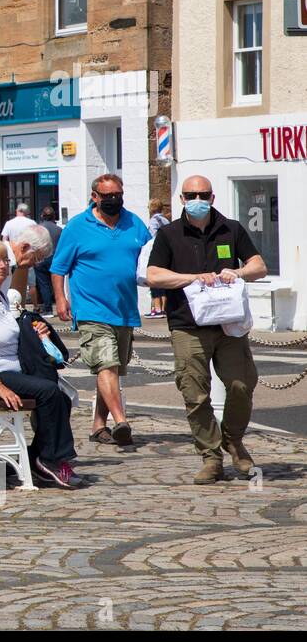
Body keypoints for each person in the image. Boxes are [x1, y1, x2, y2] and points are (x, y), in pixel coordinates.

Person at [147, 175, 266, 485]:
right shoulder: (170, 234)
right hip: (188, 325)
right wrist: (193, 278)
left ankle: (233, 439)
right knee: (195, 394)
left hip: (229, 324)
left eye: (202, 194)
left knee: (241, 385)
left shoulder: (231, 228)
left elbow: (259, 266)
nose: (196, 199)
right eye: (190, 195)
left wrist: (237, 272)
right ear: (182, 199)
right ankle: (211, 456)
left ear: (212, 198)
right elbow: (154, 275)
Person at [0, 240, 79, 488]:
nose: (3, 266)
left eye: (5, 261)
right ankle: (52, 459)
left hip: (9, 371)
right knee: (47, 392)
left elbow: (9, 336)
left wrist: (37, 330)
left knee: (61, 397)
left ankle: (36, 457)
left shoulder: (0, 297)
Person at [51, 173, 152, 448]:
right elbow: (59, 268)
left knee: (112, 369)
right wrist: (61, 299)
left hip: (124, 308)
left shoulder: (134, 223)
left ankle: (98, 425)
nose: (113, 201)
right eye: (107, 197)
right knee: (106, 364)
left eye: (118, 195)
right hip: (91, 309)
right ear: (95, 197)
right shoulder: (77, 227)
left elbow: (150, 258)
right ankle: (121, 422)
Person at [32, 206, 62, 316]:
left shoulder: (37, 228)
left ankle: (48, 308)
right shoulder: (59, 230)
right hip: (55, 259)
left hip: (41, 259)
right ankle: (60, 304)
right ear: (53, 216)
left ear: (42, 216)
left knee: (44, 284)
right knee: (57, 284)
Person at [146, 198, 169, 317]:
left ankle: (157, 309)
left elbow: (152, 236)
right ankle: (164, 308)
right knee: (163, 281)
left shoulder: (153, 221)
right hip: (165, 253)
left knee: (153, 280)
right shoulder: (165, 220)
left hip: (155, 252)